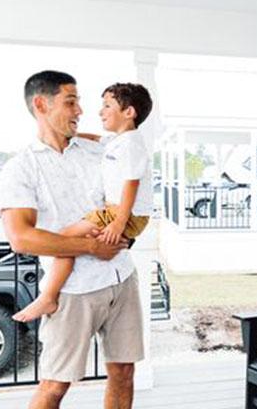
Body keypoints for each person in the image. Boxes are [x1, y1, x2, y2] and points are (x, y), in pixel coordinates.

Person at [0, 70, 167, 409]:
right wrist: (90, 247)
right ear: (42, 105)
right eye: (71, 102)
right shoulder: (21, 168)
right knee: (54, 385)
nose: (80, 110)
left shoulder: (98, 147)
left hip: (120, 277)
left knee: (124, 370)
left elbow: (120, 148)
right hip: (73, 291)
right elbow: (21, 238)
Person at [12, 82, 154, 323]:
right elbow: (98, 139)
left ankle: (48, 297)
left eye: (107, 106)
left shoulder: (131, 145)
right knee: (71, 242)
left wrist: (119, 223)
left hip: (122, 214)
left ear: (129, 113)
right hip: (118, 213)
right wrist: (71, 133)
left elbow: (131, 185)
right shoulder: (120, 141)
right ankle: (50, 294)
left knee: (64, 240)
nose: (100, 111)